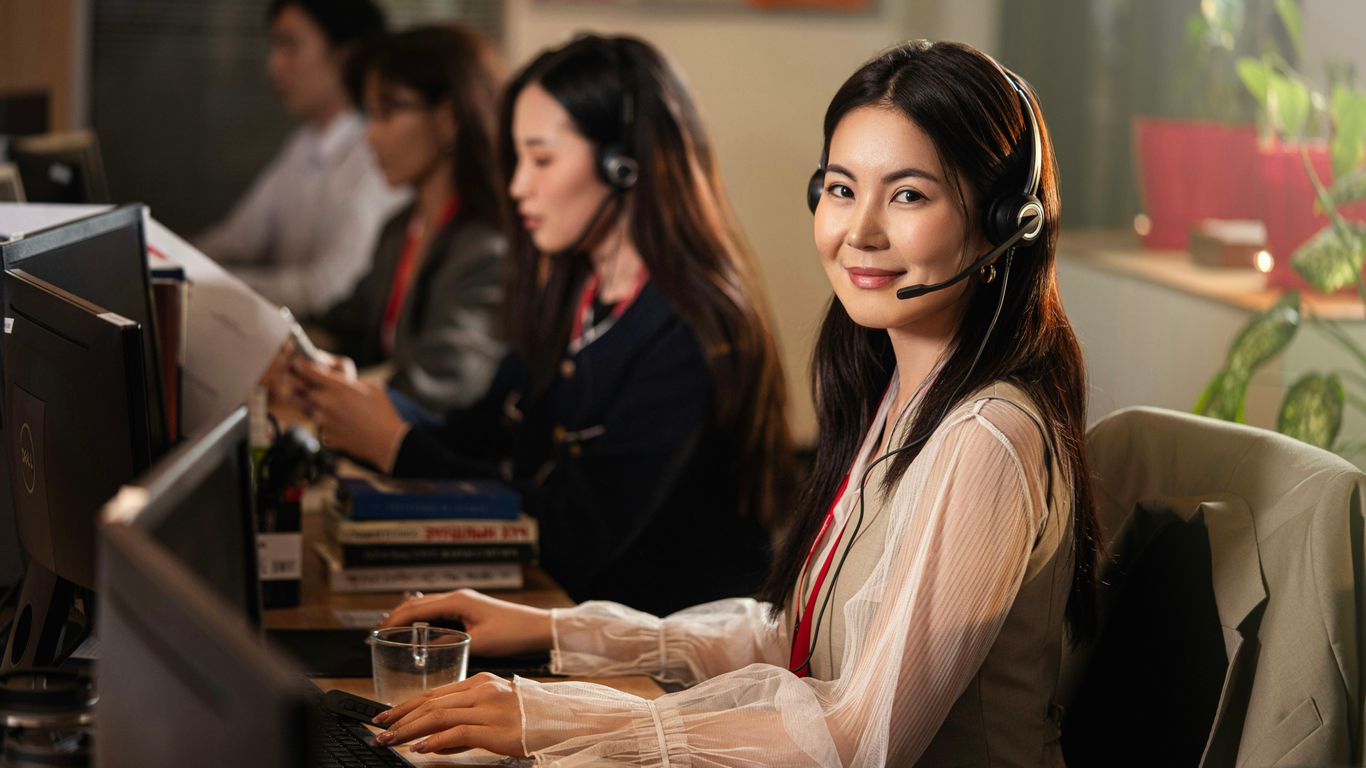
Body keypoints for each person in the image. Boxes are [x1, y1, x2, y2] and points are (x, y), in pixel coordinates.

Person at [361, 40, 1103, 766]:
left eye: (908, 194)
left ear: (1008, 221)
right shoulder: (897, 401)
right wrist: (553, 631)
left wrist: (558, 717)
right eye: (841, 190)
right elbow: (794, 640)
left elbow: (859, 740)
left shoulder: (986, 434)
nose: (858, 232)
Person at [293, 35, 794, 616]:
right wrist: (366, 410)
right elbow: (480, 433)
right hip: (567, 620)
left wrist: (399, 446)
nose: (517, 187)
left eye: (542, 159)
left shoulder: (691, 333)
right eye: (517, 159)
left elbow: (576, 536)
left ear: (622, 163)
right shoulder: (572, 292)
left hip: (658, 665)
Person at [315, 25, 507, 419]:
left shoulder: (487, 241)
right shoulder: (401, 228)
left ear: (449, 118)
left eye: (387, 113)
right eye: (369, 115)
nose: (371, 136)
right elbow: (347, 326)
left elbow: (448, 379)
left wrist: (341, 395)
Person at [196, 0, 407, 319]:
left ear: (344, 56)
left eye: (290, 46)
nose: (274, 64)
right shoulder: (305, 143)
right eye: (275, 46)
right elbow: (239, 238)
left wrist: (205, 282)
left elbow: (330, 289)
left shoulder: (377, 157)